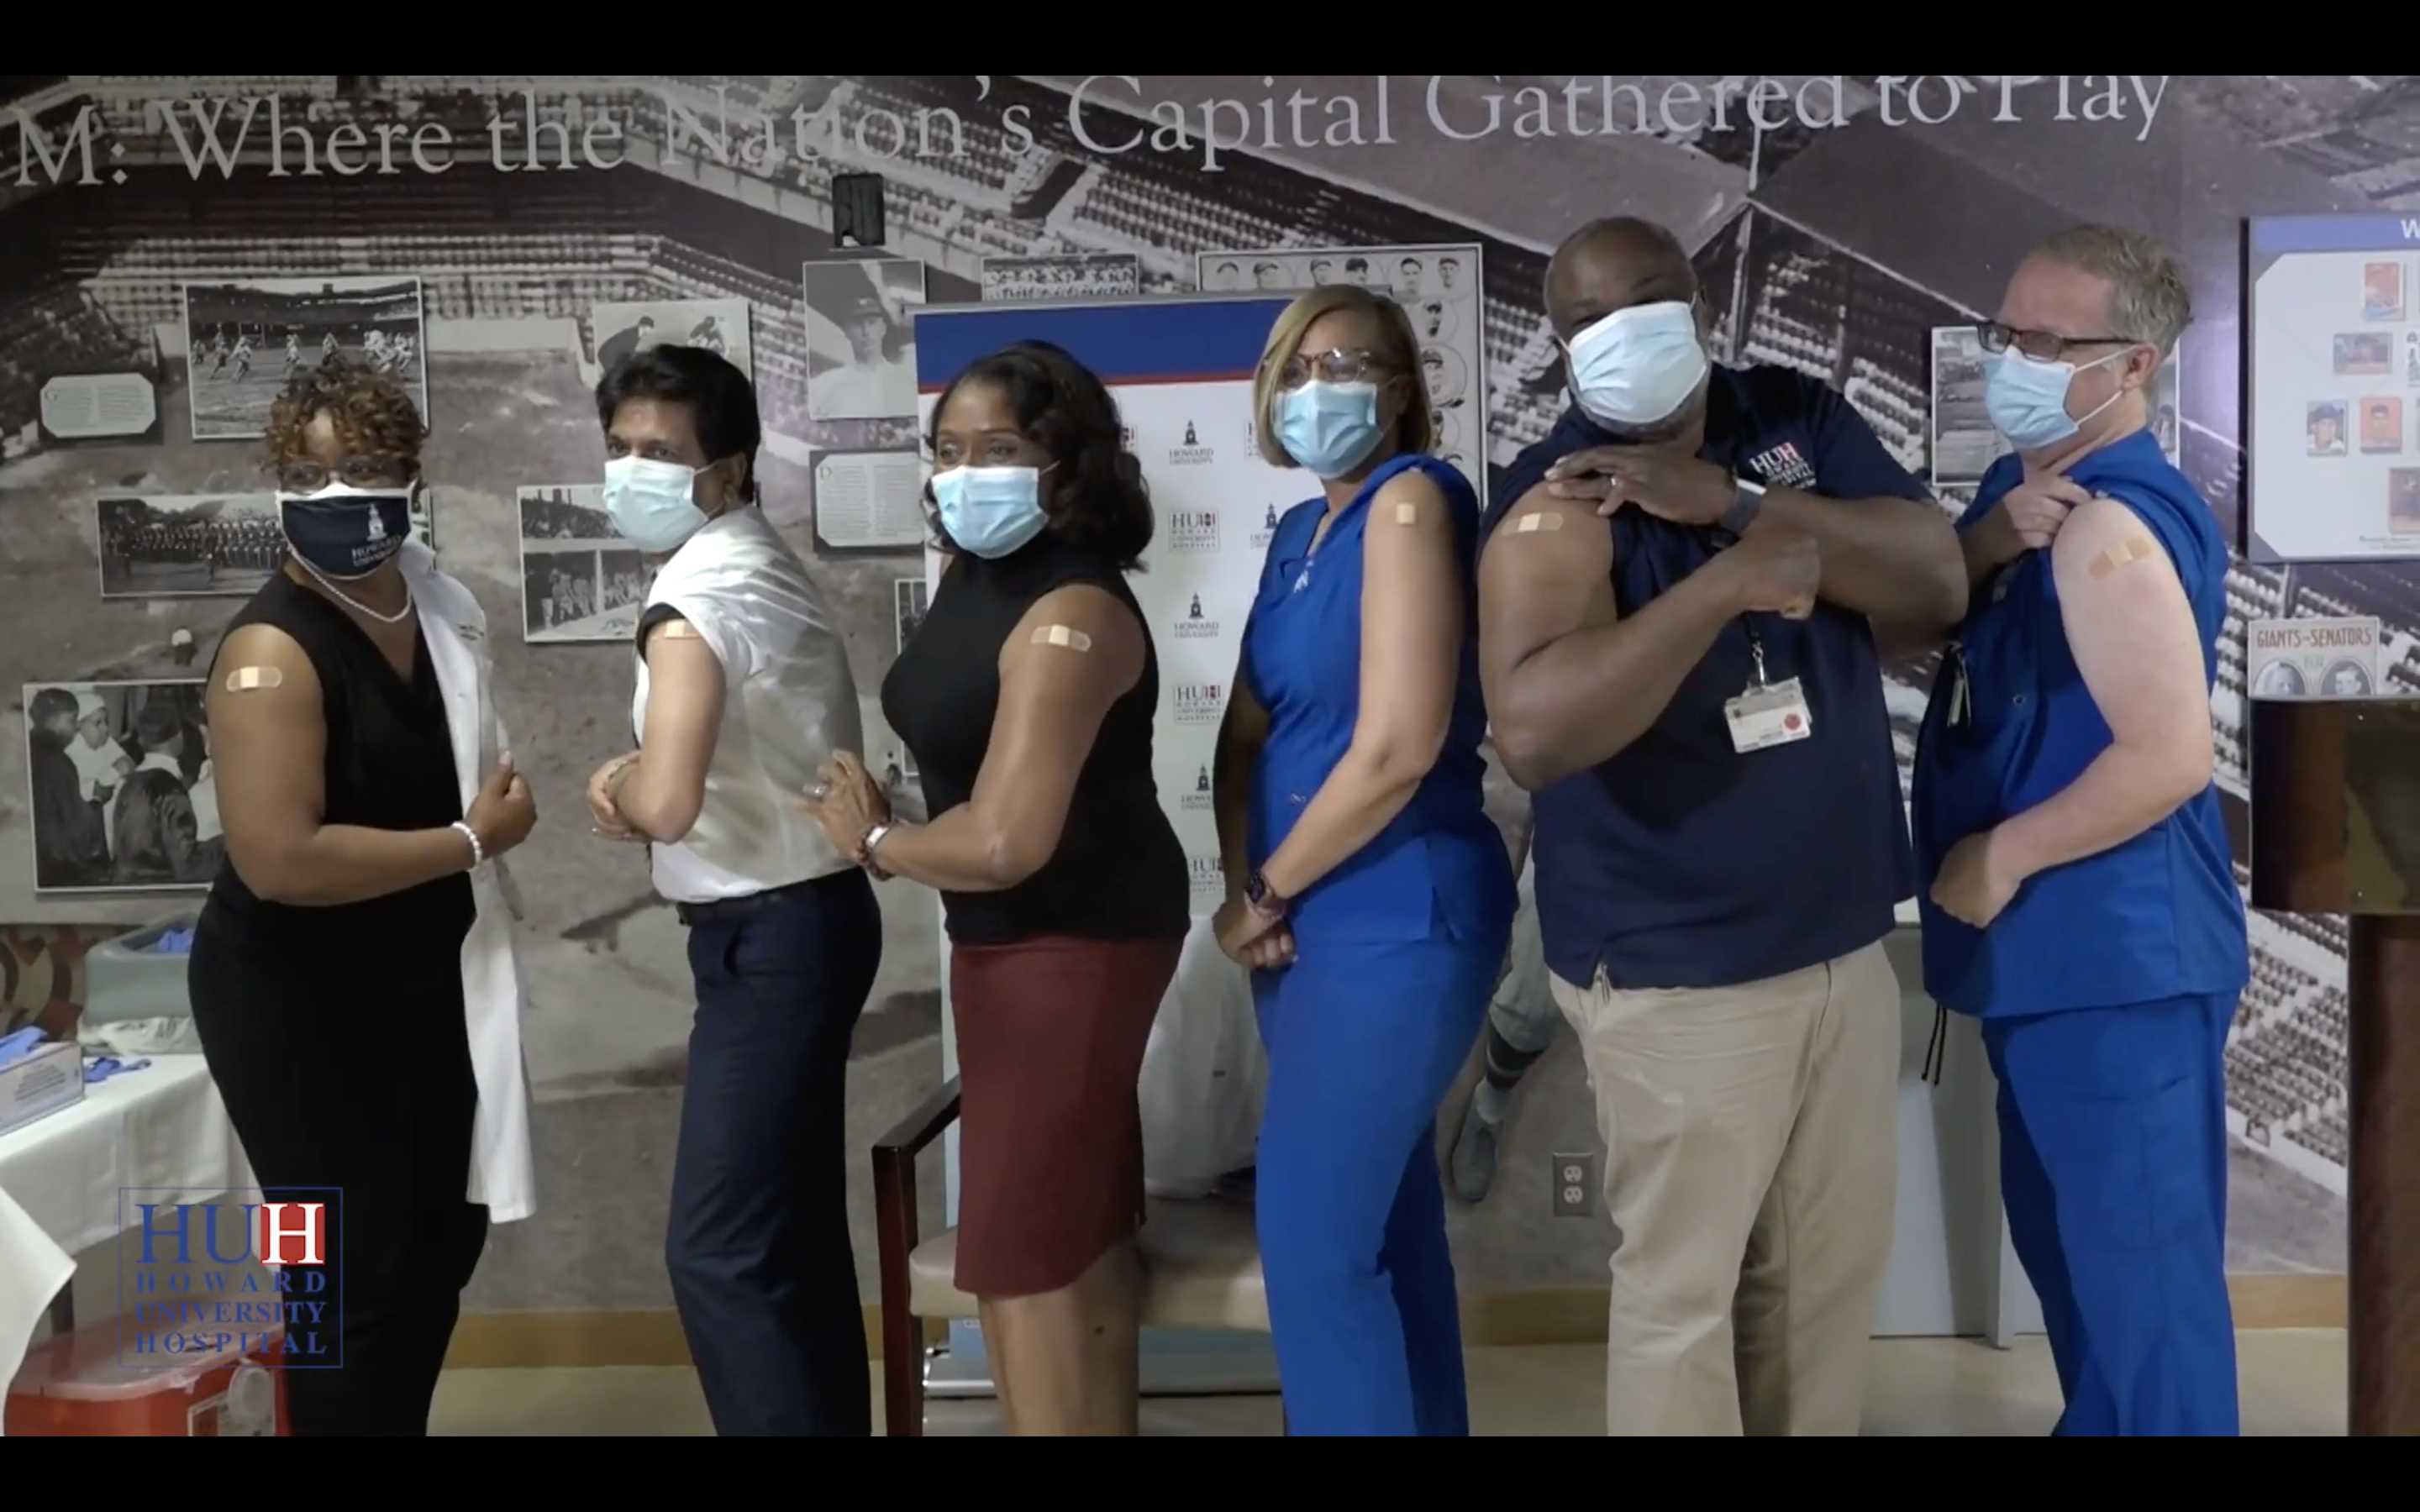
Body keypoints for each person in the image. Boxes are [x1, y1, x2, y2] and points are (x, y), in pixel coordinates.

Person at [1477, 216, 1966, 1437]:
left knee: (1821, 1284)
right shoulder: (1557, 499)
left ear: (1700, 309)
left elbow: (1934, 580)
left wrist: (1736, 506)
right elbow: (1535, 732)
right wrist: (1722, 585)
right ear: (1560, 347)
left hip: (1843, 943)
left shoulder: (1790, 413)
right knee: (1683, 1296)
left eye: (1650, 300)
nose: (1624, 331)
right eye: (1590, 319)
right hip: (1677, 966)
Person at [808, 339, 1187, 1437]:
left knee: (1021, 1256)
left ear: (1064, 463)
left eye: (1001, 448)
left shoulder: (1078, 609)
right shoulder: (979, 572)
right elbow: (972, 770)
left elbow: (1009, 840)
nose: (967, 470)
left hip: (1073, 938)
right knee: (1073, 1230)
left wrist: (876, 837)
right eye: (950, 449)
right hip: (1012, 941)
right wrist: (901, 817)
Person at [1910, 224, 2249, 1437]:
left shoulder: (2110, 526)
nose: (2018, 358)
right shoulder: (2020, 498)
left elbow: (2169, 755)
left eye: (2051, 342)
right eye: (2007, 335)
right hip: (2049, 970)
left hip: (2115, 966)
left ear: (2137, 364)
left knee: (2145, 1311)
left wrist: (2001, 854)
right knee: (2085, 1291)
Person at [187, 357, 538, 1436]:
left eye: (368, 466)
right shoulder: (271, 652)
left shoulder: (434, 603)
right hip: (291, 1002)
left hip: (418, 981)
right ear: (277, 483)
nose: (339, 494)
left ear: (412, 478)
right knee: (344, 1283)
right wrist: (471, 839)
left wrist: (467, 845)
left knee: (440, 1245)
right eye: (309, 470)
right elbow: (278, 862)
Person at [1208, 285, 1514, 1436]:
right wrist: (1251, 895)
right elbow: (1242, 735)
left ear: (1399, 391)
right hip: (1297, 926)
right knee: (1385, 1230)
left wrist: (1266, 892)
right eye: (1301, 364)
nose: (1322, 386)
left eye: (1354, 364)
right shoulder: (1298, 533)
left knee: (1313, 1248)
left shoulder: (1410, 505)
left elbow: (1397, 748)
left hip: (1396, 909)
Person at [581, 345, 881, 1437]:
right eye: (620, 448)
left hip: (771, 940)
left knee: (717, 1249)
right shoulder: (749, 557)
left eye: (660, 451)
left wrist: (612, 779)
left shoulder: (692, 596)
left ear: (730, 467)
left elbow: (662, 802)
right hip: (802, 924)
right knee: (787, 1239)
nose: (632, 470)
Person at [25, 687, 109, 888]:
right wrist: (98, 801)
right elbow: (77, 831)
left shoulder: (26, 750)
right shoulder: (58, 762)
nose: (77, 728)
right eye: (72, 720)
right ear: (51, 721)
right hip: (59, 870)